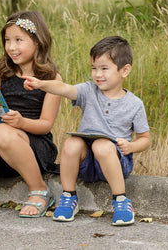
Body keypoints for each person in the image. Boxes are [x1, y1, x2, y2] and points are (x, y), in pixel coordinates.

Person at [23, 36, 151, 225]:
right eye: (94, 68)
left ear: (125, 70)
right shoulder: (88, 91)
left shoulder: (134, 104)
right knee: (72, 142)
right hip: (86, 163)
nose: (97, 74)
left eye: (104, 68)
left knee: (102, 145)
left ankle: (121, 200)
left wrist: (131, 147)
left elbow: (145, 139)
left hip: (114, 160)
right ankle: (69, 196)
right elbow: (63, 88)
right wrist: (41, 84)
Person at [0, 10, 61, 217]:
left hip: (33, 147)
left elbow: (46, 125)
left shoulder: (51, 78)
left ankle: (39, 190)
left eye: (18, 40)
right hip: (0, 150)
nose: (12, 47)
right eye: (7, 40)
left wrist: (21, 122)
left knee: (2, 132)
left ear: (38, 42)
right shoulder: (0, 73)